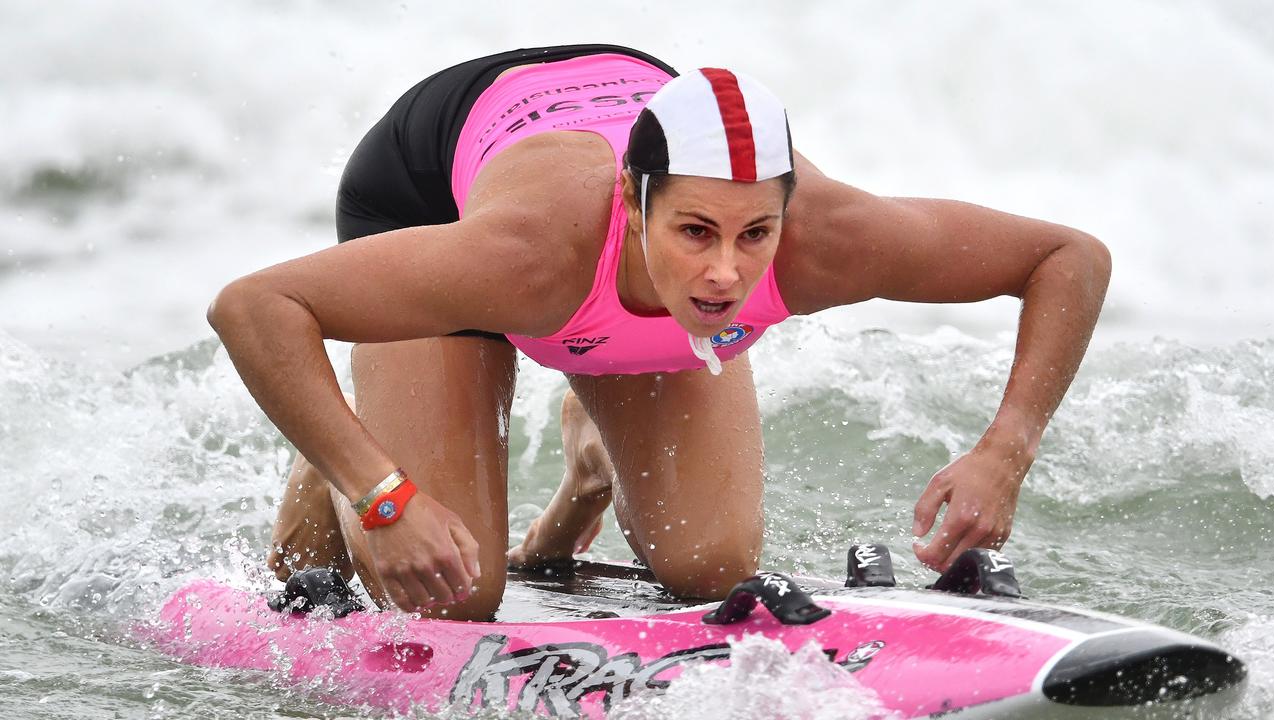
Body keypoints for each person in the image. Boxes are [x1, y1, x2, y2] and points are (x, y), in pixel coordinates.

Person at [207, 44, 1110, 621]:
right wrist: (385, 495)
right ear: (636, 209)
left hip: (628, 141)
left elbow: (1067, 257)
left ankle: (594, 459)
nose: (726, 271)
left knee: (707, 564)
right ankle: (353, 452)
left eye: (754, 235)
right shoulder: (529, 256)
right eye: (695, 233)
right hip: (433, 194)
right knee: (450, 598)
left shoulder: (827, 240)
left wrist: (1005, 450)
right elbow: (255, 308)